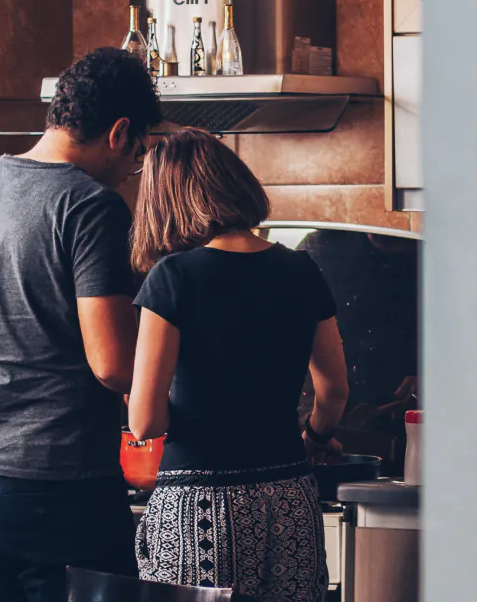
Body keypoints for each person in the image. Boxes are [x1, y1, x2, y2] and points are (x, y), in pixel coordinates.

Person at [0, 48, 162, 602]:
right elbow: (113, 366)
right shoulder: (90, 206)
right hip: (57, 483)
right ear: (119, 132)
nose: (130, 174)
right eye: (136, 157)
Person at [126, 128, 349, 602]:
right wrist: (316, 437)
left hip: (199, 505)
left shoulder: (173, 277)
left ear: (167, 202)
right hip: (289, 495)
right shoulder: (301, 269)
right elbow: (333, 390)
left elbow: (144, 422)